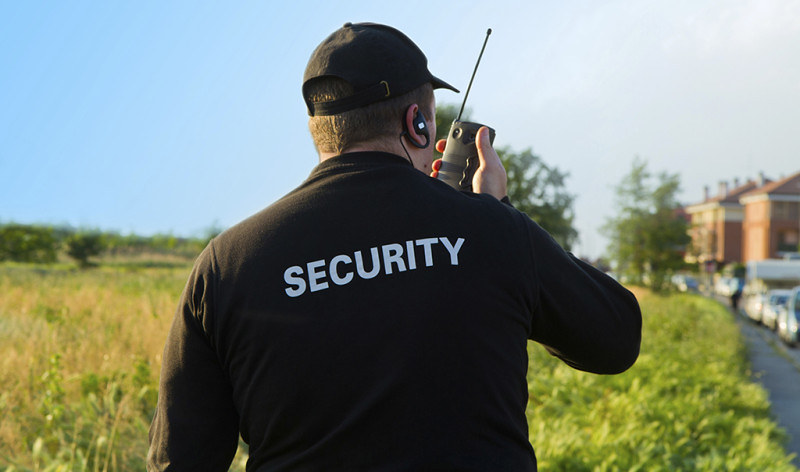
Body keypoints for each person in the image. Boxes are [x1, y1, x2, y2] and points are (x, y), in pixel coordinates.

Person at [147, 22, 642, 471]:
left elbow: (178, 463)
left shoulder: (227, 263)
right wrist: (497, 211)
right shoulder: (493, 230)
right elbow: (616, 337)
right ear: (417, 123)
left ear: (317, 129)